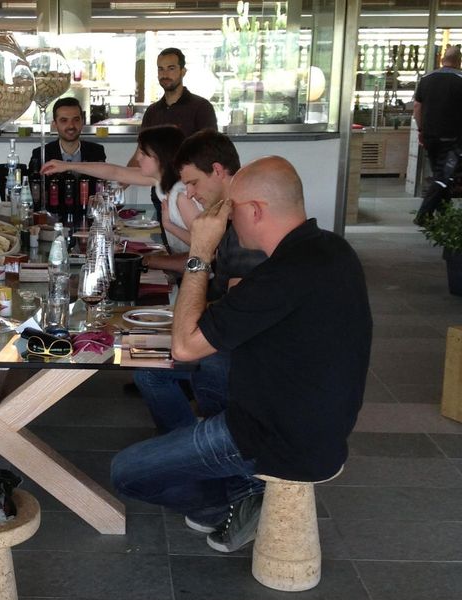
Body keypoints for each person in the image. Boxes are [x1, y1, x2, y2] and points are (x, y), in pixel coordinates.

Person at [111, 156, 372, 554]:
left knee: (126, 472)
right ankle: (233, 483)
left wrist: (200, 250)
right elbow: (232, 316)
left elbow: (185, 344)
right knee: (168, 371)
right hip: (320, 419)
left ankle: (231, 499)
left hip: (277, 438)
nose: (228, 221)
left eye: (232, 211)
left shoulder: (280, 275)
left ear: (255, 210)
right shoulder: (330, 249)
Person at [135, 131, 267, 431]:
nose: (190, 193)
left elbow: (237, 314)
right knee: (146, 366)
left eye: (193, 182)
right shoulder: (226, 213)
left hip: (243, 355)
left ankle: (219, 443)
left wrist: (182, 321)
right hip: (226, 332)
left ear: (218, 171)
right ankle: (193, 442)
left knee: (167, 366)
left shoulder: (245, 223)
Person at [42, 125, 188, 250]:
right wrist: (67, 165)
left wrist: (168, 226)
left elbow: (201, 245)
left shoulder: (180, 193)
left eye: (143, 153)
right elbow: (115, 172)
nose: (138, 159)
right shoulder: (160, 180)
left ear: (161, 157)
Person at [132, 48, 218, 243]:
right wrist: (124, 180)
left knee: (198, 243)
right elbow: (140, 152)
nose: (165, 74)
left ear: (183, 71)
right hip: (160, 190)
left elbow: (210, 151)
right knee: (170, 243)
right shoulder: (152, 111)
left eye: (171, 68)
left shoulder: (201, 107)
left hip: (190, 192)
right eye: (161, 69)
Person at [412, 45, 462, 225]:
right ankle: (423, 216)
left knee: (441, 174)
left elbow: (417, 107)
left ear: (442, 60)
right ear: (459, 61)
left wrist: (421, 129)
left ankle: (446, 216)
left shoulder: (426, 79)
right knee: (443, 176)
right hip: (454, 139)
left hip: (430, 136)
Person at [29, 97, 106, 170]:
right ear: (54, 124)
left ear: (82, 122)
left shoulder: (96, 152)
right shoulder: (41, 154)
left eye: (76, 120)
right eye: (64, 120)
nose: (71, 125)